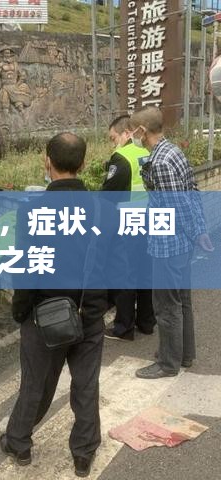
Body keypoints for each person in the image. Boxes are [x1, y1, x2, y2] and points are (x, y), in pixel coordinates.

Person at [1, 133, 111, 477]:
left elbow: (26, 269)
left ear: (47, 162)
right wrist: (99, 306)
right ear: (83, 164)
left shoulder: (32, 211)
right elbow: (117, 266)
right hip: (88, 313)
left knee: (35, 383)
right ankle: (83, 453)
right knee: (86, 385)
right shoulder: (104, 209)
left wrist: (20, 312)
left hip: (44, 315)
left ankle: (19, 444)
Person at [130, 107, 213, 380]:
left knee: (166, 305)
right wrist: (199, 231)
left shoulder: (161, 162)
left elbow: (176, 208)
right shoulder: (173, 151)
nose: (132, 136)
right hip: (181, 243)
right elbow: (192, 192)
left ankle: (168, 363)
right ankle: (183, 353)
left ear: (143, 131)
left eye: (133, 131)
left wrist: (196, 233)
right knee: (181, 301)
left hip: (168, 244)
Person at [102, 115, 156, 341]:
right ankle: (146, 322)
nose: (113, 143)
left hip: (128, 223)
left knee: (124, 274)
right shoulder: (145, 153)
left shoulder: (121, 158)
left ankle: (124, 328)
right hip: (148, 220)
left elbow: (108, 195)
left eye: (113, 137)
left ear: (126, 133)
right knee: (145, 271)